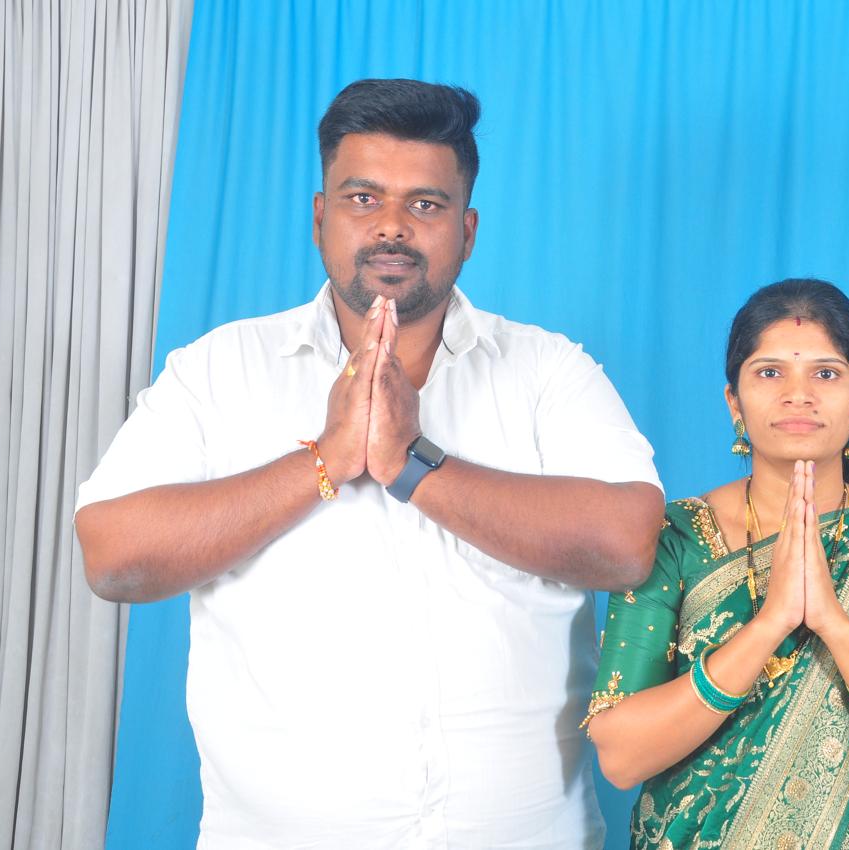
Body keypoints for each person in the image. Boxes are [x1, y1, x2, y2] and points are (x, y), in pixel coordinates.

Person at [75, 79, 664, 849]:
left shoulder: (548, 371)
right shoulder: (219, 369)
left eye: (426, 203)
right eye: (363, 198)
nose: (392, 225)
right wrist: (326, 459)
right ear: (320, 217)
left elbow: (627, 544)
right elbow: (113, 557)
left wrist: (413, 465)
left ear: (468, 231)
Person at [585, 279, 849, 850]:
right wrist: (770, 623)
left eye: (825, 373)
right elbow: (621, 756)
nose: (797, 395)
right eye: (769, 372)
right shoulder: (670, 538)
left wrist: (835, 625)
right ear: (734, 401)